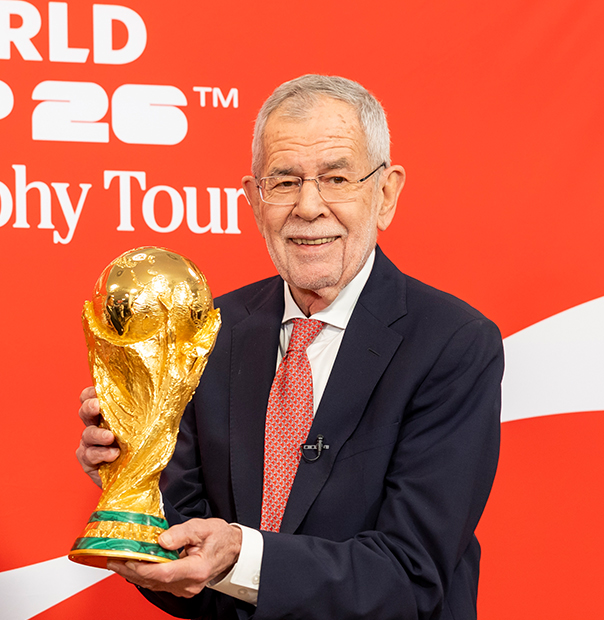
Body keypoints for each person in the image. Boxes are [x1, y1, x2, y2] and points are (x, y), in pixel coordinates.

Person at [75, 75, 502, 619]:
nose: (308, 206)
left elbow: (410, 576)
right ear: (255, 199)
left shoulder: (454, 344)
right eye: (284, 181)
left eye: (337, 178)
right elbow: (186, 568)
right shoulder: (208, 333)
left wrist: (242, 557)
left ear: (386, 194)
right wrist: (134, 484)